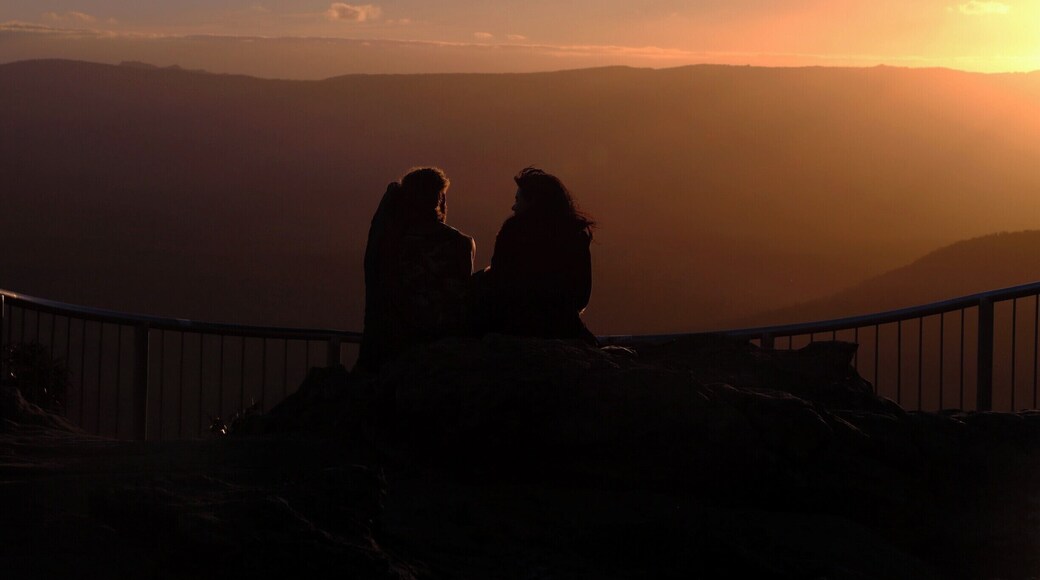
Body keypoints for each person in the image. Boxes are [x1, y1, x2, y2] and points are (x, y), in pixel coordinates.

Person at [355, 167, 475, 372]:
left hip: (397, 345)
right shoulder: (462, 244)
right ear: (439, 199)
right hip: (444, 346)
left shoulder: (390, 246)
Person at [480, 167, 597, 343]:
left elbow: (499, 280)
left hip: (515, 327)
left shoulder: (513, 231)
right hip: (564, 327)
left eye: (517, 200)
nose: (513, 206)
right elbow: (581, 297)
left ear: (532, 201)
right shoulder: (575, 234)